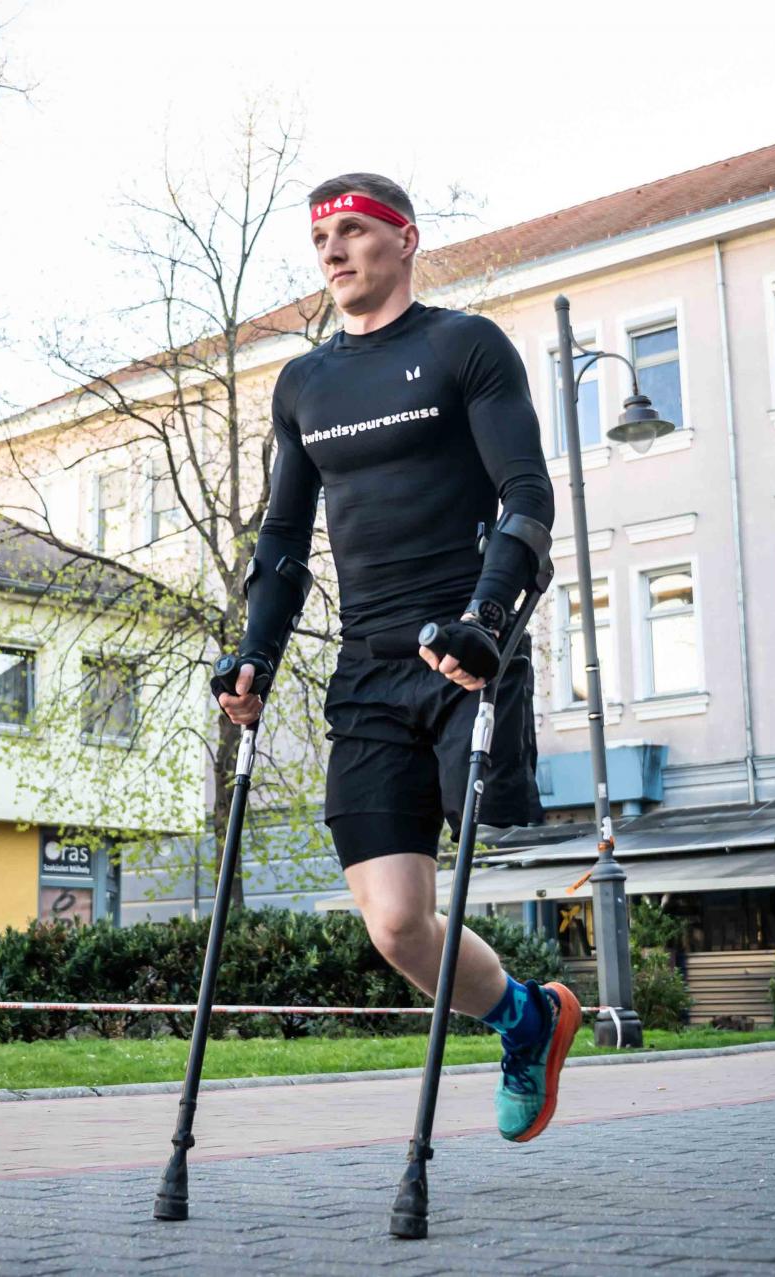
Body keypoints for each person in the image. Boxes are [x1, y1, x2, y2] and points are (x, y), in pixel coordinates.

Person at [216, 173, 579, 1143]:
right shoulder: (305, 384)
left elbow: (527, 498)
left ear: (405, 239)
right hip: (368, 670)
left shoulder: (466, 347)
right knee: (394, 923)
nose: (332, 251)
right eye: (320, 238)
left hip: (464, 649)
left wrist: (486, 620)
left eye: (352, 231)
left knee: (480, 841)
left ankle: (527, 1017)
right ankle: (528, 1017)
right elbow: (283, 542)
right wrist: (255, 656)